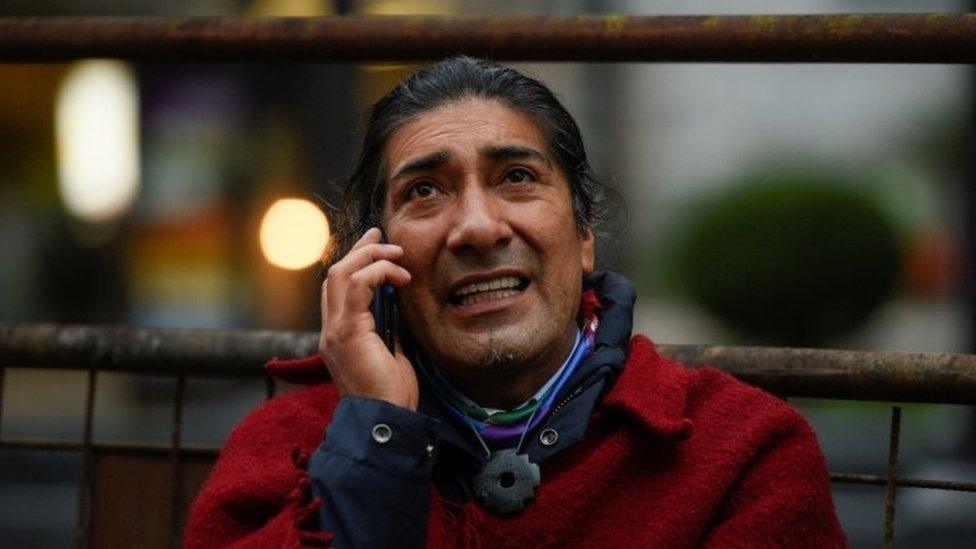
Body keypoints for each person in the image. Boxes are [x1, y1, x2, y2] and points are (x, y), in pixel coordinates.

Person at [185, 56, 846, 548]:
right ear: (375, 255)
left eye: (518, 178)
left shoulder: (744, 449)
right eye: (425, 191)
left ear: (583, 235)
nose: (477, 226)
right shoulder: (283, 446)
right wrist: (375, 438)